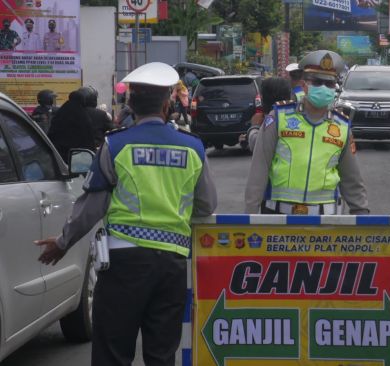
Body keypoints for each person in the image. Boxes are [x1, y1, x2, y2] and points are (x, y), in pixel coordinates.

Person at [35, 62, 218, 366]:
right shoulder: (192, 148)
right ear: (167, 103)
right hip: (171, 264)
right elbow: (207, 205)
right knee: (161, 354)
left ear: (130, 104)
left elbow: (92, 206)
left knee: (112, 353)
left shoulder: (116, 145)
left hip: (123, 264)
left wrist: (62, 243)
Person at [245, 50, 369, 215]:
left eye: (329, 84)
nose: (324, 88)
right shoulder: (279, 117)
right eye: (317, 82)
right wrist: (249, 217)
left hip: (326, 222)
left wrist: (361, 213)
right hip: (278, 219)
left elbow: (352, 179)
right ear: (304, 85)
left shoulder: (342, 126)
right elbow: (258, 171)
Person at [246, 76, 292, 151]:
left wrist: (254, 127)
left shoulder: (273, 117)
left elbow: (259, 145)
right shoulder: (294, 114)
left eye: (261, 95)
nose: (260, 97)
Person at [47, 90, 95, 159]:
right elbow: (88, 135)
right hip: (78, 154)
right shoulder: (82, 114)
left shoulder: (61, 111)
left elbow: (53, 131)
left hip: (59, 152)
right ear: (82, 100)